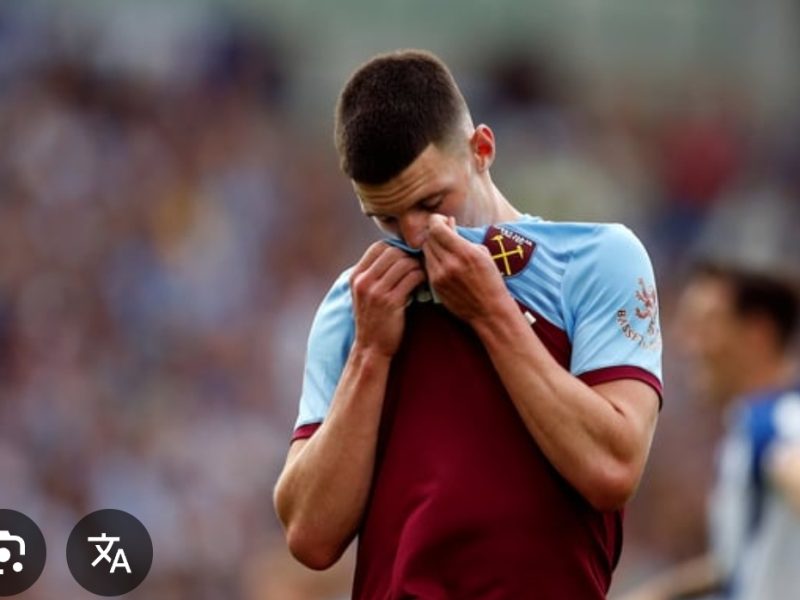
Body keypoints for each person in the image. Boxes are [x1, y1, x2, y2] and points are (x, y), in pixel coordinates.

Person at [273, 49, 663, 599]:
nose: (414, 235)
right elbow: (310, 537)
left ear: (482, 149)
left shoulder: (598, 259)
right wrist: (370, 354)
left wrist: (490, 312)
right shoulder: (359, 299)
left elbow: (612, 470)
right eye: (385, 218)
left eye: (432, 202)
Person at [620, 237, 800, 597]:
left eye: (705, 325)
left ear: (757, 333)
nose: (687, 343)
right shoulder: (751, 425)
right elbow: (740, 560)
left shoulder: (777, 421)